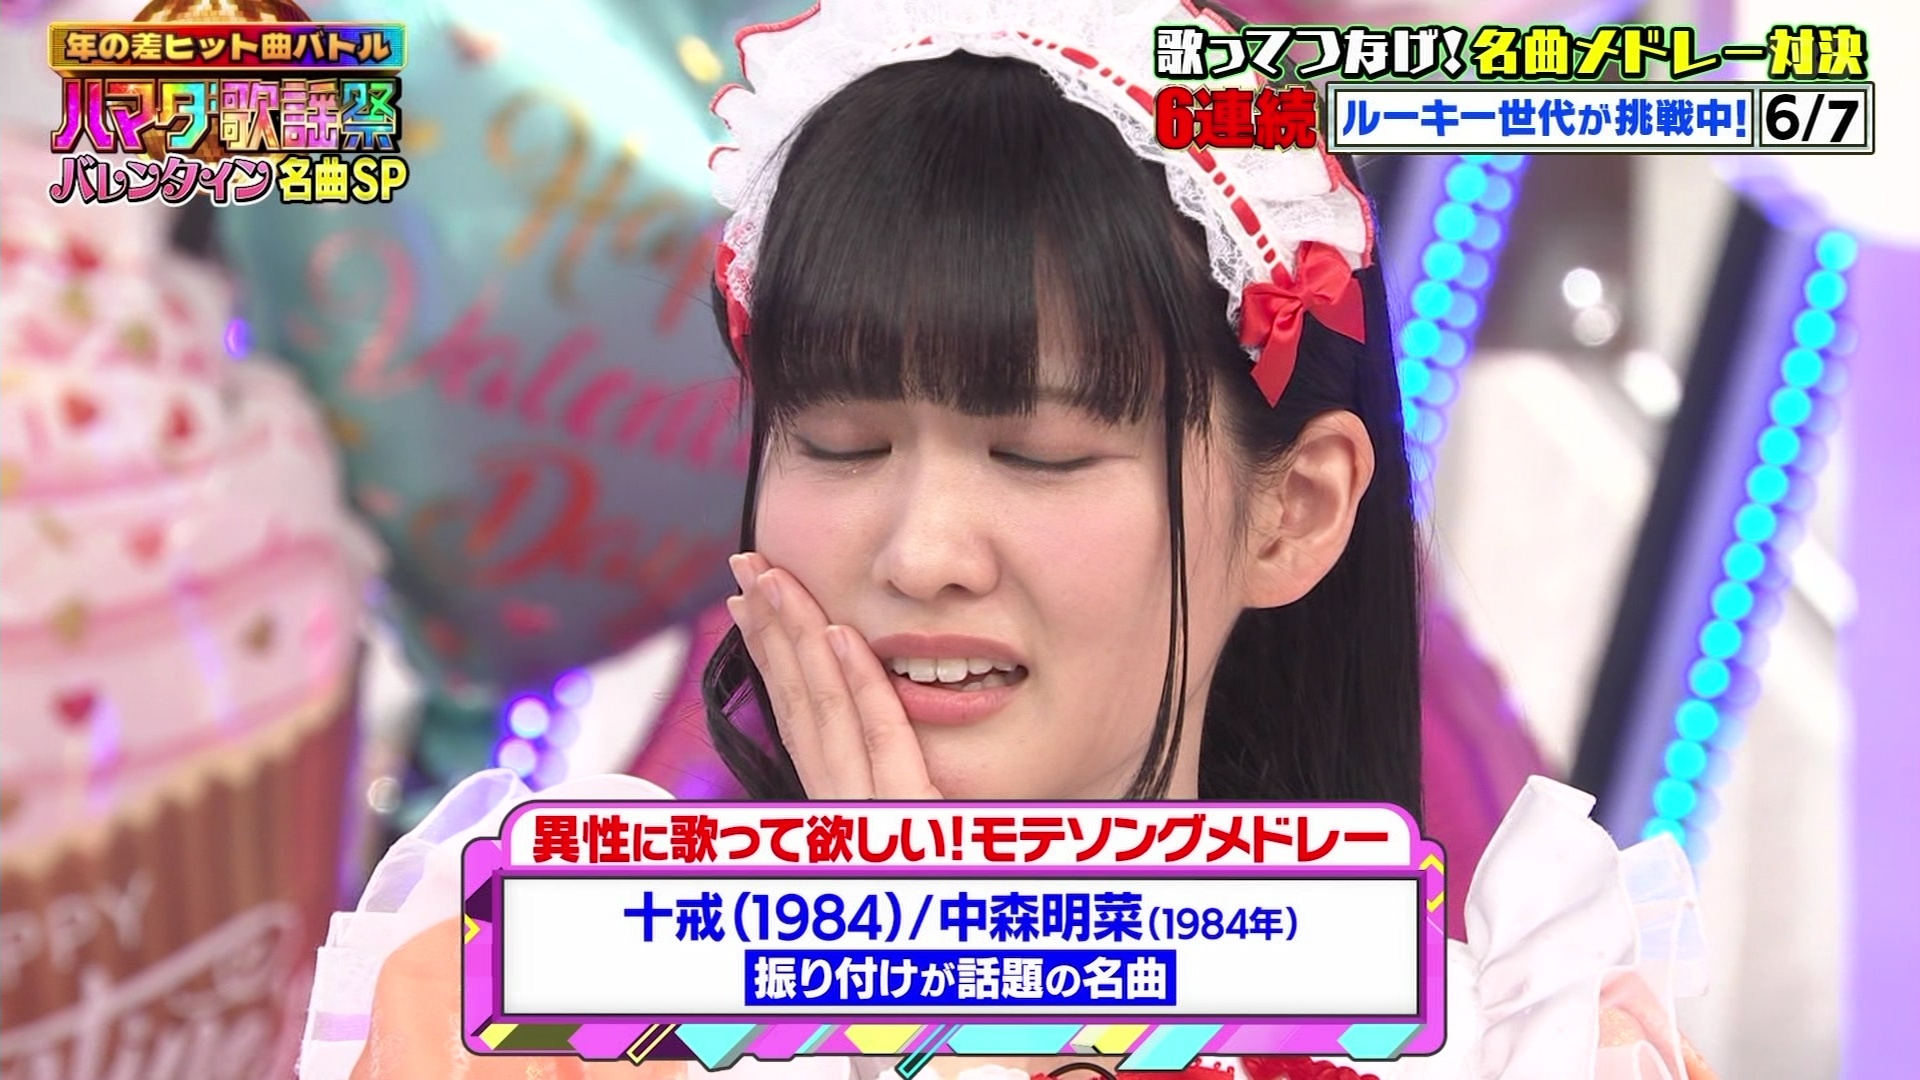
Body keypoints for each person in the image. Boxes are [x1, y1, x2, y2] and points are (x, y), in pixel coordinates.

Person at [299, 3, 1716, 1078]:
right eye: (839, 443)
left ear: (1293, 512)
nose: (923, 553)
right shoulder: (522, 1007)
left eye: (1039, 455)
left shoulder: (1529, 1046)